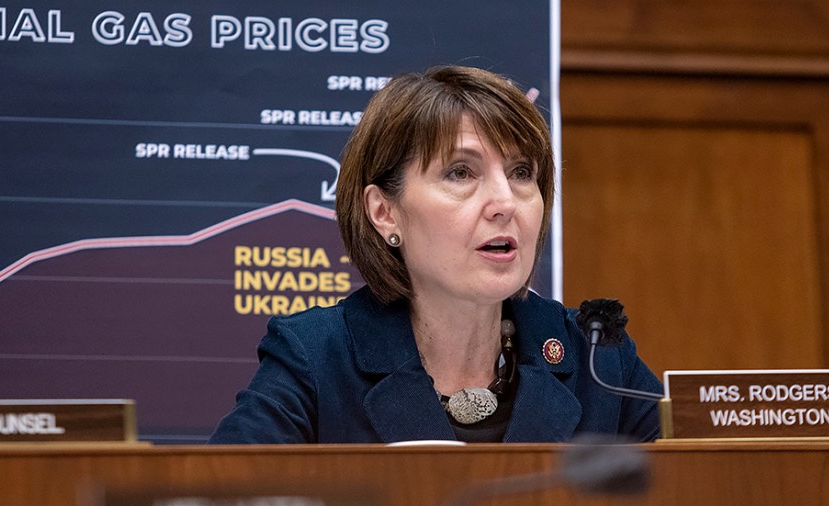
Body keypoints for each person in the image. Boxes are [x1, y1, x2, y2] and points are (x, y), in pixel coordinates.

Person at [209, 65, 661, 444]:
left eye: (523, 172)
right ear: (385, 213)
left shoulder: (596, 359)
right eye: (461, 173)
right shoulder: (317, 359)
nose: (505, 202)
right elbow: (220, 490)